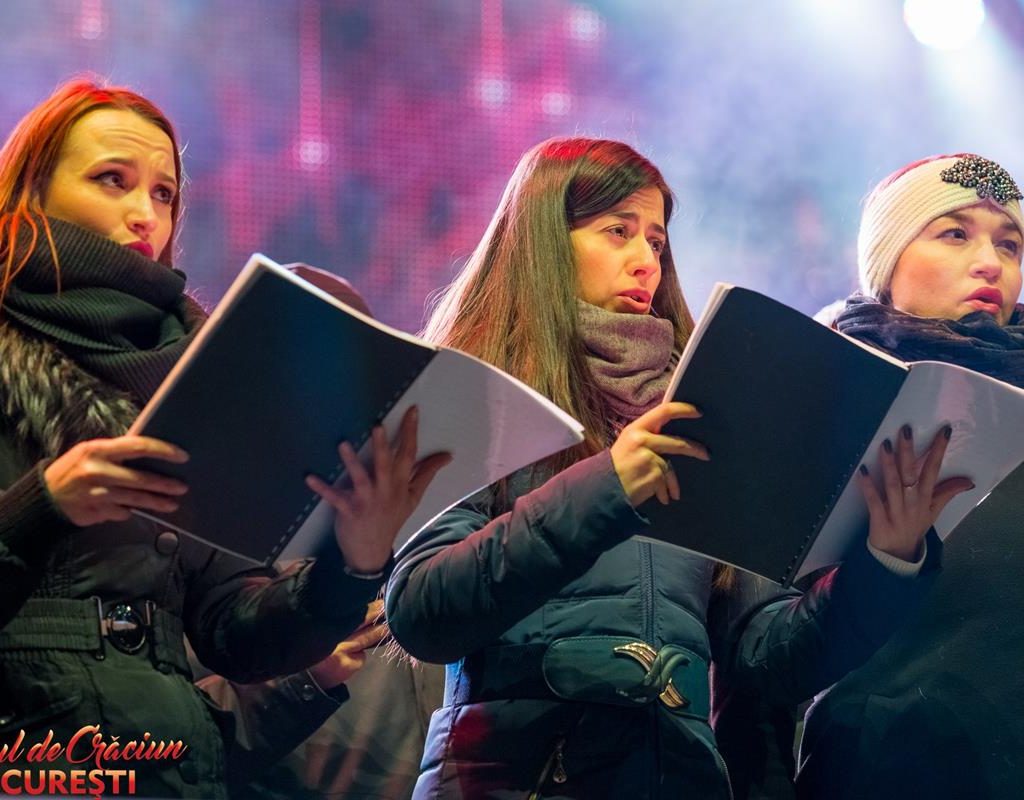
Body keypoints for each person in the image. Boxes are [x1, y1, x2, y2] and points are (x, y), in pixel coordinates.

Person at [384, 137, 971, 799]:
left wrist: (885, 564)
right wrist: (609, 486)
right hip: (513, 775)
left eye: (657, 242)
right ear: (543, 241)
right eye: (617, 231)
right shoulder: (474, 389)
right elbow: (422, 611)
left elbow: (764, 660)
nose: (646, 262)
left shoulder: (708, 411)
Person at [0, 78, 447, 799]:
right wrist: (43, 504)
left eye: (164, 194)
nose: (144, 214)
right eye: (112, 180)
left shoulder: (198, 375)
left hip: (167, 768)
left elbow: (235, 632)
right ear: (30, 193)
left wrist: (352, 563)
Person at [795, 153, 1024, 800]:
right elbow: (760, 657)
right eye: (955, 233)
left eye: (1009, 245)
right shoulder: (817, 391)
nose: (990, 263)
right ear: (887, 262)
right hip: (873, 766)